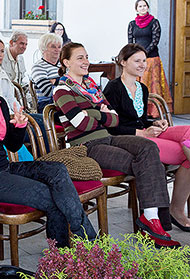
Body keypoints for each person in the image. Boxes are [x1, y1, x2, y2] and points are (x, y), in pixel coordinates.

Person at [0, 53, 97, 249]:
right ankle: (68, 255)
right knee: (52, 198)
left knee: (57, 169)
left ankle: (87, 243)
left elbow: (11, 145)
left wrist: (19, 127)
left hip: (6, 168)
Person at [53, 42, 180, 247]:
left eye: (86, 57)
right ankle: (154, 224)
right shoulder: (61, 90)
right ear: (66, 62)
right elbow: (81, 124)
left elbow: (115, 120)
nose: (86, 61)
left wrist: (95, 114)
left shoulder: (92, 87)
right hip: (86, 146)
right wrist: (101, 113)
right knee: (141, 162)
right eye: (80, 58)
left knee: (149, 147)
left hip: (108, 137)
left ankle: (151, 217)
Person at [103, 43, 190, 230]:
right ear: (123, 62)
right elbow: (111, 126)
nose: (142, 64)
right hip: (131, 139)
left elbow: (140, 119)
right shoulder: (113, 88)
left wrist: (155, 122)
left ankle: (176, 209)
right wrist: (142, 132)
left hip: (147, 132)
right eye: (137, 60)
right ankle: (176, 210)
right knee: (186, 154)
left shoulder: (141, 88)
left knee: (189, 134)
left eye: (144, 60)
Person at [127, 0, 173, 114]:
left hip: (151, 58)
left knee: (152, 85)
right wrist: (134, 54)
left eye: (144, 6)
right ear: (136, 9)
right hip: (136, 59)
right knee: (136, 85)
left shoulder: (154, 22)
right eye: (140, 6)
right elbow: (130, 41)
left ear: (148, 7)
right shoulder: (132, 24)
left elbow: (155, 40)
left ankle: (153, 112)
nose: (142, 8)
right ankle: (137, 110)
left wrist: (143, 54)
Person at [30, 32, 63, 112]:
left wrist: (56, 81)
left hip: (65, 100)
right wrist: (65, 82)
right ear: (43, 48)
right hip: (48, 106)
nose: (57, 50)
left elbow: (76, 84)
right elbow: (48, 91)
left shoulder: (64, 64)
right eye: (53, 47)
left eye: (59, 47)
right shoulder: (38, 67)